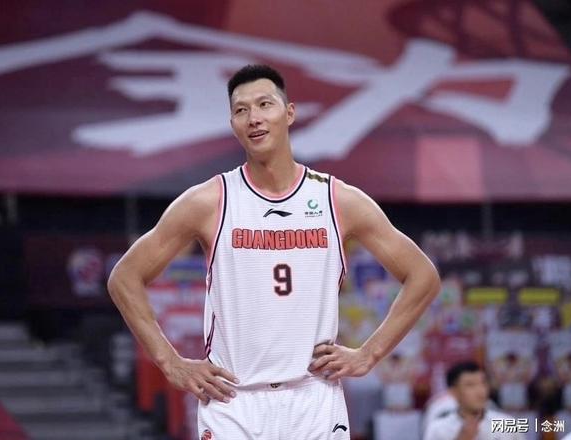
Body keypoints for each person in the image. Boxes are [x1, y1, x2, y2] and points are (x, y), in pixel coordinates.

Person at [107, 64, 441, 439]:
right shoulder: (209, 201)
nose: (254, 118)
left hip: (313, 399)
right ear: (233, 124)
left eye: (265, 104)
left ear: (289, 113)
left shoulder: (337, 199)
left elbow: (423, 276)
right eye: (241, 110)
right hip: (234, 401)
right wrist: (170, 363)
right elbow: (124, 277)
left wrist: (370, 353)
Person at [424, 361, 525, 440]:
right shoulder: (439, 429)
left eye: (483, 383)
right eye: (470, 385)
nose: (480, 391)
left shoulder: (507, 423)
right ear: (454, 392)